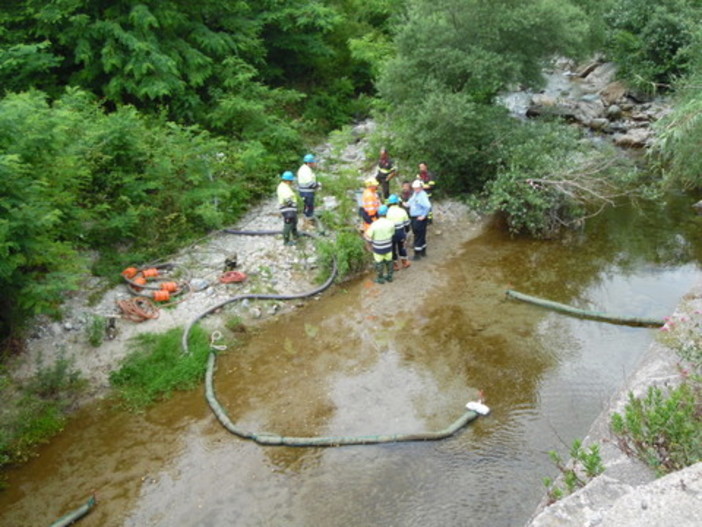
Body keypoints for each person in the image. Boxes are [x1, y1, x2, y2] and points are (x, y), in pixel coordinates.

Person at [365, 205, 396, 284]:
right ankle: (390, 277)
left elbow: (368, 237)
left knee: (379, 263)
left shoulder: (374, 224)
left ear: (378, 214)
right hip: (388, 246)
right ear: (386, 214)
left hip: (378, 248)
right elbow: (392, 234)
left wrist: (369, 245)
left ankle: (380, 278)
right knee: (389, 261)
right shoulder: (391, 223)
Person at [386, 194, 411, 271]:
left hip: (390, 234)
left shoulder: (387, 211)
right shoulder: (402, 211)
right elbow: (407, 224)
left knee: (392, 249)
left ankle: (395, 265)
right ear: (397, 202)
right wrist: (406, 232)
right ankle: (404, 262)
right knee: (402, 247)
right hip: (400, 233)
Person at [408, 179, 431, 259]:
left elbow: (428, 206)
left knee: (418, 235)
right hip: (415, 218)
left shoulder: (422, 195)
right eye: (414, 188)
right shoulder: (416, 193)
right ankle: (423, 252)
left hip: (419, 218)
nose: (415, 189)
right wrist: (406, 204)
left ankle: (417, 255)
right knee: (421, 235)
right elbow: (411, 201)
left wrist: (423, 215)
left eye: (416, 188)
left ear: (421, 187)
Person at [297, 153, 320, 227]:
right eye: (313, 162)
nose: (314, 163)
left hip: (307, 192)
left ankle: (307, 222)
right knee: (308, 208)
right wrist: (318, 185)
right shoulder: (305, 170)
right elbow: (310, 183)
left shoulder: (305, 169)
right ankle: (308, 224)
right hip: (306, 192)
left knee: (308, 207)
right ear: (309, 162)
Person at [277, 171, 299, 246]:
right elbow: (287, 198)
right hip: (287, 208)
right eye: (291, 180)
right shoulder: (283, 187)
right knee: (288, 223)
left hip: (290, 208)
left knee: (294, 220)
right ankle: (286, 241)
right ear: (288, 180)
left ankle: (295, 234)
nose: (292, 181)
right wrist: (293, 204)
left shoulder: (284, 186)